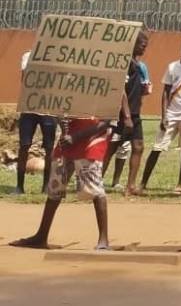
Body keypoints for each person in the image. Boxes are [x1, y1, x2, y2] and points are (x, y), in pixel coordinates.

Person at [10, 116, 114, 251]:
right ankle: (41, 236)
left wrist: (76, 136)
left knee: (94, 189)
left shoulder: (105, 97)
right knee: (55, 188)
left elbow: (106, 122)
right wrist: (63, 124)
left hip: (90, 142)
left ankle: (103, 239)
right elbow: (59, 107)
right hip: (66, 143)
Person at [140, 39, 181, 195]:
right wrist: (164, 115)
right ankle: (143, 183)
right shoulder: (173, 67)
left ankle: (180, 184)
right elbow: (166, 92)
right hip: (172, 113)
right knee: (157, 147)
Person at [101, 31, 149, 196]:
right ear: (133, 44)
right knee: (110, 149)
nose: (144, 48)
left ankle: (130, 186)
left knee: (138, 147)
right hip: (122, 115)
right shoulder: (126, 62)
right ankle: (94, 183)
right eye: (142, 45)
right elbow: (120, 89)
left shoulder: (138, 64)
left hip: (135, 114)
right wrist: (127, 116)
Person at [15, 52, 58, 195]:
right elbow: (25, 78)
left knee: (49, 148)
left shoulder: (57, 57)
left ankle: (46, 186)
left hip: (49, 107)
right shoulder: (27, 55)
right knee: (24, 145)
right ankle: (19, 186)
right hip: (29, 107)